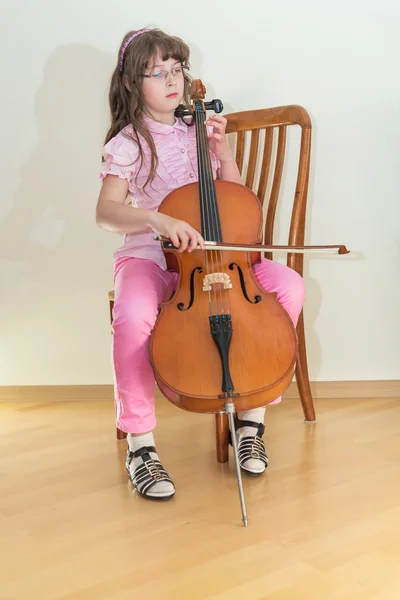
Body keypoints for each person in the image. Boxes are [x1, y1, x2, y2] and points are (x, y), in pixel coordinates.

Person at [96, 27, 305, 500]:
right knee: (131, 317)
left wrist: (222, 152)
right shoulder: (129, 142)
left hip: (218, 258)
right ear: (133, 83)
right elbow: (105, 212)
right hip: (151, 254)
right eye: (158, 73)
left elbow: (237, 199)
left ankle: (251, 420)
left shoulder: (199, 131)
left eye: (177, 70)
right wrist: (156, 219)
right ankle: (141, 445)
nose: (172, 81)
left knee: (288, 286)